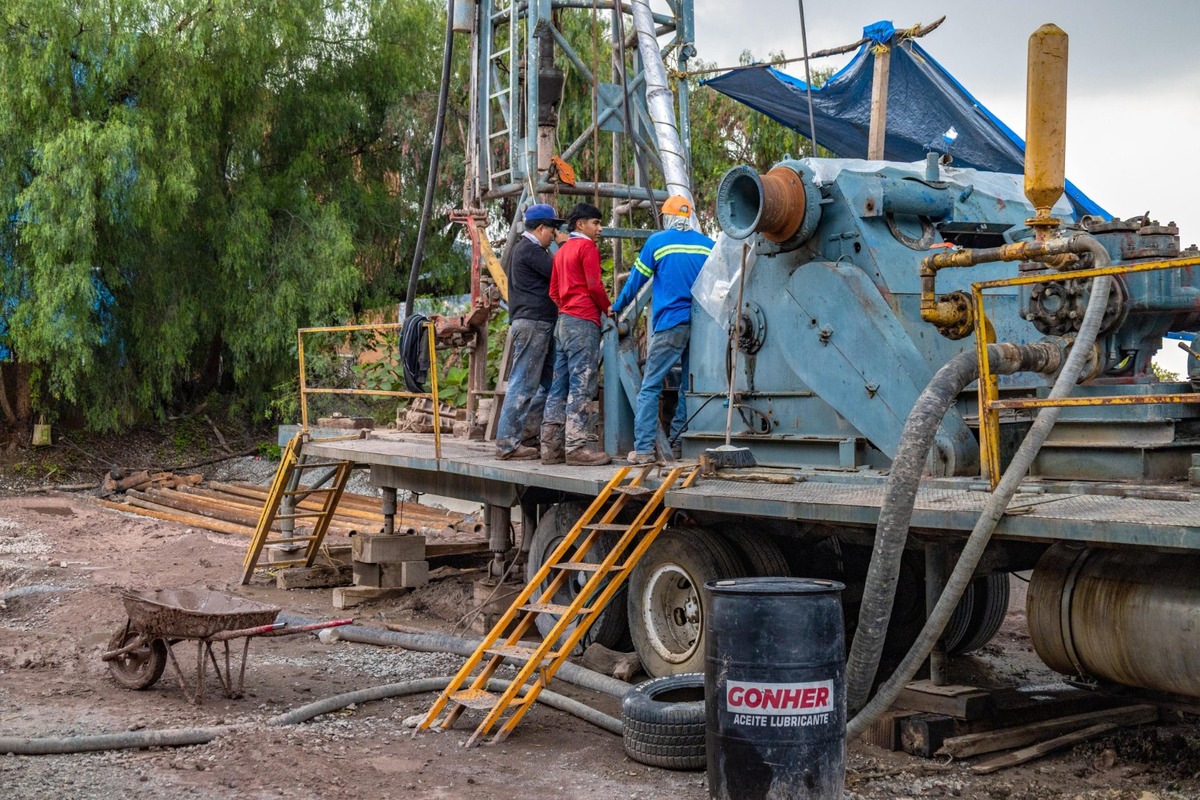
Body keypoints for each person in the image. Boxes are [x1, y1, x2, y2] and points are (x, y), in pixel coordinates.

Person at [611, 195, 713, 464]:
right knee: (688, 387)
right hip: (702, 327)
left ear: (666, 217)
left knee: (650, 386)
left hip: (670, 324)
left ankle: (643, 449)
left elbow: (636, 281)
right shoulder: (708, 246)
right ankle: (678, 443)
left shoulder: (658, 242)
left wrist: (616, 307)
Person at [542, 202, 613, 466]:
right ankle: (576, 448)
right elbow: (594, 286)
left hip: (563, 323)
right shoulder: (586, 247)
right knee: (582, 384)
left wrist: (567, 308)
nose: (600, 229)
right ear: (581, 224)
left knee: (558, 386)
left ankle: (550, 449)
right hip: (583, 322)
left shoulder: (561, 251)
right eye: (596, 223)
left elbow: (553, 292)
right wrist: (609, 309)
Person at [494, 203, 566, 460]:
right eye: (553, 230)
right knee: (523, 383)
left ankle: (524, 435)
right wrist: (566, 245)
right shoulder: (531, 251)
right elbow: (561, 270)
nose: (554, 235)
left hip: (537, 322)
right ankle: (507, 444)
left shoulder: (523, 250)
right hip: (534, 322)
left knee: (547, 383)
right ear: (541, 228)